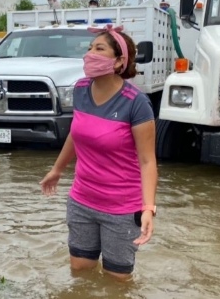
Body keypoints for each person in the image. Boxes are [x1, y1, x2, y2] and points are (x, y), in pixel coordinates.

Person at [40, 24, 158, 280]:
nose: (89, 54)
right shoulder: (81, 89)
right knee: (80, 275)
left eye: (99, 49)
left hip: (122, 209)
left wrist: (148, 208)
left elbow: (148, 161)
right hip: (82, 201)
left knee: (117, 285)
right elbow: (76, 132)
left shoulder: (136, 103)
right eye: (90, 48)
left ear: (119, 62)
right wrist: (57, 169)